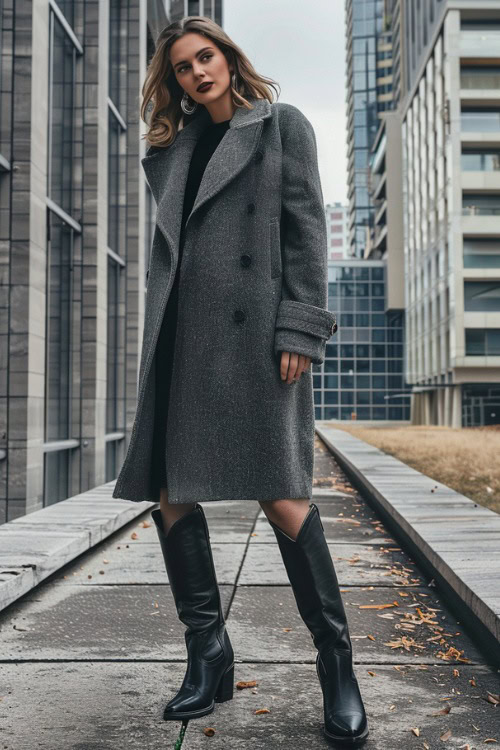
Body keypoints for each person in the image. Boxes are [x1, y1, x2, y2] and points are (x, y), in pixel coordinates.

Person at [115, 14, 368, 747]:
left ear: (228, 57)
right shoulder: (173, 149)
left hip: (257, 341)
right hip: (182, 341)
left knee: (285, 498)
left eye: (206, 57)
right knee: (169, 495)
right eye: (183, 69)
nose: (198, 72)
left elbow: (306, 231)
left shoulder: (281, 126)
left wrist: (298, 329)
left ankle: (337, 666)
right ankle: (208, 652)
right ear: (176, 84)